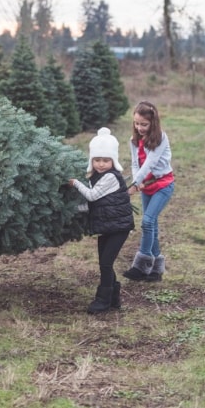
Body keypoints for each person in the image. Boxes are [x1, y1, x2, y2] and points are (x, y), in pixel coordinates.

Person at [70, 127, 134, 314]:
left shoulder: (111, 177)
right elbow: (93, 205)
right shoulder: (97, 176)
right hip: (107, 226)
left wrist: (75, 183)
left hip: (119, 227)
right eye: (97, 160)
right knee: (104, 263)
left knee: (106, 263)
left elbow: (92, 196)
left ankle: (103, 300)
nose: (101, 164)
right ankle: (114, 298)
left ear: (113, 161)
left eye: (106, 160)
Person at [123, 101, 175, 282]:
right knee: (151, 224)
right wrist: (137, 182)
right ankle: (156, 269)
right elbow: (136, 164)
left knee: (147, 222)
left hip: (163, 184)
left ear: (153, 122)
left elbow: (150, 163)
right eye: (136, 123)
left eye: (144, 124)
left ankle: (140, 266)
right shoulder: (134, 140)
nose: (139, 127)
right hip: (147, 186)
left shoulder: (161, 138)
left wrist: (135, 184)